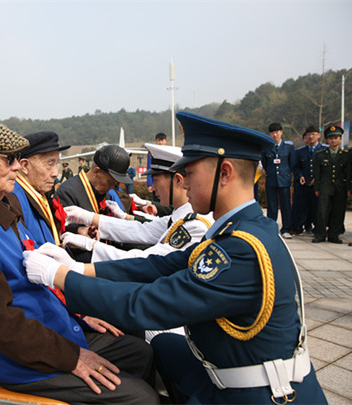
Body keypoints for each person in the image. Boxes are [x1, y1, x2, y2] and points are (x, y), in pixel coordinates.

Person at [24, 111, 327, 404]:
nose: (184, 183)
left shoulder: (241, 250)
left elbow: (147, 303)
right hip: (228, 364)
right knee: (164, 347)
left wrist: (59, 276)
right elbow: (159, 264)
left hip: (257, 393)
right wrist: (78, 267)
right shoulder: (240, 229)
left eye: (190, 173)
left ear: (224, 174)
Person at [0, 119, 159, 404]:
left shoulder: (4, 204)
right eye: (8, 159)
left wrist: (77, 313)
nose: (17, 167)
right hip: (22, 357)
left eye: (17, 159)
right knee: (142, 398)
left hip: (52, 327)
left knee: (140, 353)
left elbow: (36, 273)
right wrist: (72, 356)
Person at [13, 130, 124, 337]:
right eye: (49, 164)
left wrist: (79, 232)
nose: (55, 173)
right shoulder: (18, 201)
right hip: (55, 301)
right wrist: (79, 314)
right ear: (25, 166)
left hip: (65, 283)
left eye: (56, 164)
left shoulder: (37, 194)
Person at [61, 143, 213, 263]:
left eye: (156, 180)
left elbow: (145, 261)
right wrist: (88, 217)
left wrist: (90, 245)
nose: (152, 187)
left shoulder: (195, 225)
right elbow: (141, 230)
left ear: (178, 180)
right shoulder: (180, 217)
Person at [56, 144, 133, 238]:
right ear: (96, 172)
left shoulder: (105, 192)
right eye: (110, 182)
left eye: (115, 184)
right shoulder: (67, 192)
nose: (112, 188)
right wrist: (78, 230)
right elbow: (61, 229)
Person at [313, 125, 349, 244]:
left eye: (336, 138)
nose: (333, 140)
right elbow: (317, 173)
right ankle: (320, 234)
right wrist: (317, 187)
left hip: (340, 187)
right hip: (325, 186)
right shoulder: (320, 154)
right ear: (327, 140)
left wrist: (348, 188)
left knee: (338, 212)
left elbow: (348, 173)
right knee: (322, 212)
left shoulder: (345, 155)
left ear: (340, 139)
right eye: (331, 138)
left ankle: (334, 235)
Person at [261, 122, 295, 239]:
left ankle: (286, 229)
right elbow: (265, 164)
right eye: (272, 133)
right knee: (272, 206)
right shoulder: (266, 148)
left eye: (277, 132)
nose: (275, 135)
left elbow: (292, 164)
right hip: (271, 180)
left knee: (286, 205)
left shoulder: (288, 147)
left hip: (284, 180)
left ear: (281, 132)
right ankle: (272, 228)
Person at [291, 126, 326, 235]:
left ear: (319, 135)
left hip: (318, 185)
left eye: (313, 134)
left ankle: (318, 230)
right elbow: (296, 166)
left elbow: (326, 168)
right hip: (303, 184)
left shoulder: (324, 150)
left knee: (317, 208)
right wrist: (300, 175)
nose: (311, 137)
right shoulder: (300, 151)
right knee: (301, 207)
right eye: (309, 134)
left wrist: (317, 178)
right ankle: (297, 228)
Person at [147, 133, 167, 200]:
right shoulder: (151, 153)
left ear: (165, 141)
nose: (160, 142)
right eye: (158, 140)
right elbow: (149, 168)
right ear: (156, 141)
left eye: (162, 140)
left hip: (166, 181)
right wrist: (150, 184)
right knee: (157, 201)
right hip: (155, 182)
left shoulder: (169, 152)